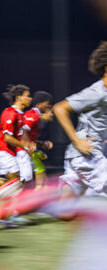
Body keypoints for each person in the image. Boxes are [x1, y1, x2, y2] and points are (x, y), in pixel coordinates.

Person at [54, 41, 107, 202]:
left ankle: (37, 199)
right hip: (87, 153)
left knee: (66, 214)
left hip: (83, 154)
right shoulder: (97, 92)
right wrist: (77, 141)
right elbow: (60, 108)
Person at [21, 91, 54, 189]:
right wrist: (28, 146)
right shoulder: (33, 115)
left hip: (26, 150)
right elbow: (24, 131)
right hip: (23, 152)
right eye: (47, 104)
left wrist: (41, 144)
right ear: (40, 103)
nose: (48, 107)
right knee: (37, 176)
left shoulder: (35, 115)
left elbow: (29, 136)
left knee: (40, 174)